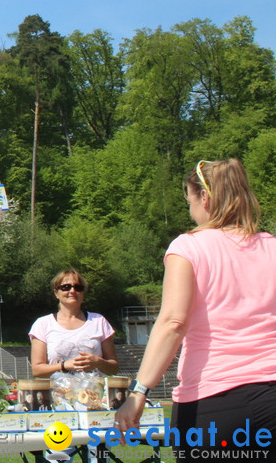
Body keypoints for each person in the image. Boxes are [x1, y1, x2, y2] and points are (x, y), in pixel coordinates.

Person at [115, 159, 276, 455]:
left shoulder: (188, 246)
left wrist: (138, 392)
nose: (191, 209)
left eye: (189, 199)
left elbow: (173, 322)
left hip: (214, 401)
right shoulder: (272, 245)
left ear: (204, 197)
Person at [29, 269, 119, 380]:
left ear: (83, 294)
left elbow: (114, 368)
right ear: (56, 293)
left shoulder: (99, 321)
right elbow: (37, 370)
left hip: (94, 394)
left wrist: (99, 362)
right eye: (66, 287)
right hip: (57, 394)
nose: (72, 291)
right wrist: (64, 365)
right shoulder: (42, 324)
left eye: (78, 288)